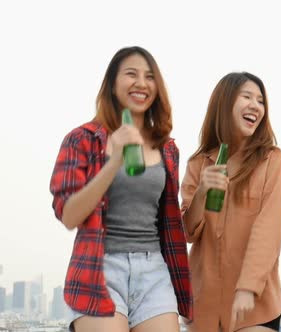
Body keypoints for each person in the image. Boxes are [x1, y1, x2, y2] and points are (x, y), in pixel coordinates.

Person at [49, 46, 193, 332]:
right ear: (113, 86)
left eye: (150, 77)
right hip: (100, 270)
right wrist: (114, 160)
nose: (141, 83)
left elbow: (170, 221)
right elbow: (69, 215)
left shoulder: (167, 149)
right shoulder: (81, 140)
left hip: (154, 272)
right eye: (131, 74)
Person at [181, 72, 281, 332]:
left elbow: (268, 230)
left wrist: (248, 287)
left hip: (255, 305)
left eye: (261, 100)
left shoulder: (273, 161)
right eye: (247, 97)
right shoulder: (198, 163)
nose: (256, 106)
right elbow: (187, 232)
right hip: (203, 306)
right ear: (224, 103)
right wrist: (202, 192)